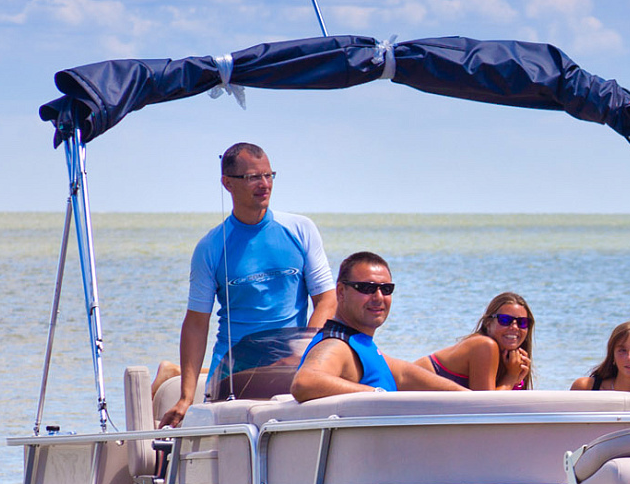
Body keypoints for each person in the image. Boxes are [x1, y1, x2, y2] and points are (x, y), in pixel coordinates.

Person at [161, 143, 335, 426]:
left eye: (269, 175)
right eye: (254, 177)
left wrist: (306, 350)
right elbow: (195, 323)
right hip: (234, 370)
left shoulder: (300, 229)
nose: (264, 184)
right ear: (227, 183)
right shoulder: (211, 247)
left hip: (291, 363)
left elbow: (327, 300)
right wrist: (185, 397)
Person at [291, 253, 467, 401]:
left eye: (386, 289)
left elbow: (404, 373)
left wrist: (468, 397)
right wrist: (379, 396)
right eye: (367, 288)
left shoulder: (360, 345)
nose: (378, 297)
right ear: (341, 292)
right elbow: (304, 382)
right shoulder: (336, 345)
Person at [420, 292, 537, 390]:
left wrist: (516, 380)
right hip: (403, 394)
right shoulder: (485, 346)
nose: (515, 327)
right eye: (505, 320)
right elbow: (486, 407)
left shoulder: (511, 361)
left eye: (522, 322)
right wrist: (511, 377)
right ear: (488, 323)